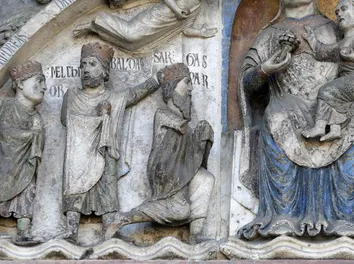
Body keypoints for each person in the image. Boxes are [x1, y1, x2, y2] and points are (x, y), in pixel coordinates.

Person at [237, 0, 354, 240]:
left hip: (333, 107)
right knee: (275, 114)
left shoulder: (337, 31)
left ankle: (347, 218)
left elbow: (353, 73)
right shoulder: (269, 35)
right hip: (286, 106)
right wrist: (267, 69)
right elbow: (248, 85)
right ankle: (282, 216)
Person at [104, 63, 214, 243]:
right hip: (166, 169)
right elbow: (181, 127)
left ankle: (196, 235)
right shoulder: (163, 114)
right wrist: (200, 132)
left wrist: (204, 139)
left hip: (180, 167)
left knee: (205, 179)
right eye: (186, 82)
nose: (191, 88)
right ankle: (124, 217)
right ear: (172, 87)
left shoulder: (184, 122)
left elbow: (193, 148)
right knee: (179, 210)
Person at [61, 42, 160, 242]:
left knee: (107, 186)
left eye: (92, 64)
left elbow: (133, 94)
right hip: (77, 154)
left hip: (104, 151)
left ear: (105, 71)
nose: (86, 69)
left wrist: (156, 80)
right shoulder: (71, 96)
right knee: (75, 189)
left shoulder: (114, 97)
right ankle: (71, 231)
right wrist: (98, 118)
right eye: (83, 65)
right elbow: (65, 119)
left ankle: (110, 230)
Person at [72, 0, 219, 52]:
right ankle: (97, 21)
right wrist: (177, 11)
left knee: (132, 44)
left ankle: (97, 29)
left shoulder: (198, 6)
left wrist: (200, 32)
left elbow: (186, 29)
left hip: (162, 28)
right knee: (130, 33)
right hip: (156, 17)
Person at [302, 0, 354, 141]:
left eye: (343, 9)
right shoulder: (341, 43)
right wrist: (312, 40)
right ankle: (335, 129)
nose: (339, 14)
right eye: (336, 13)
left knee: (326, 91)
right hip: (347, 81)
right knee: (335, 97)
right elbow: (323, 52)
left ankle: (319, 127)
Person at [0, 61, 46, 244]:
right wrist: (31, 134)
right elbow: (5, 133)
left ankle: (23, 231)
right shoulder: (9, 106)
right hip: (7, 164)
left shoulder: (36, 115)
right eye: (39, 81)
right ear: (20, 84)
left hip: (27, 164)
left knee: (28, 192)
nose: (44, 87)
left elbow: (39, 144)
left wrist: (37, 135)